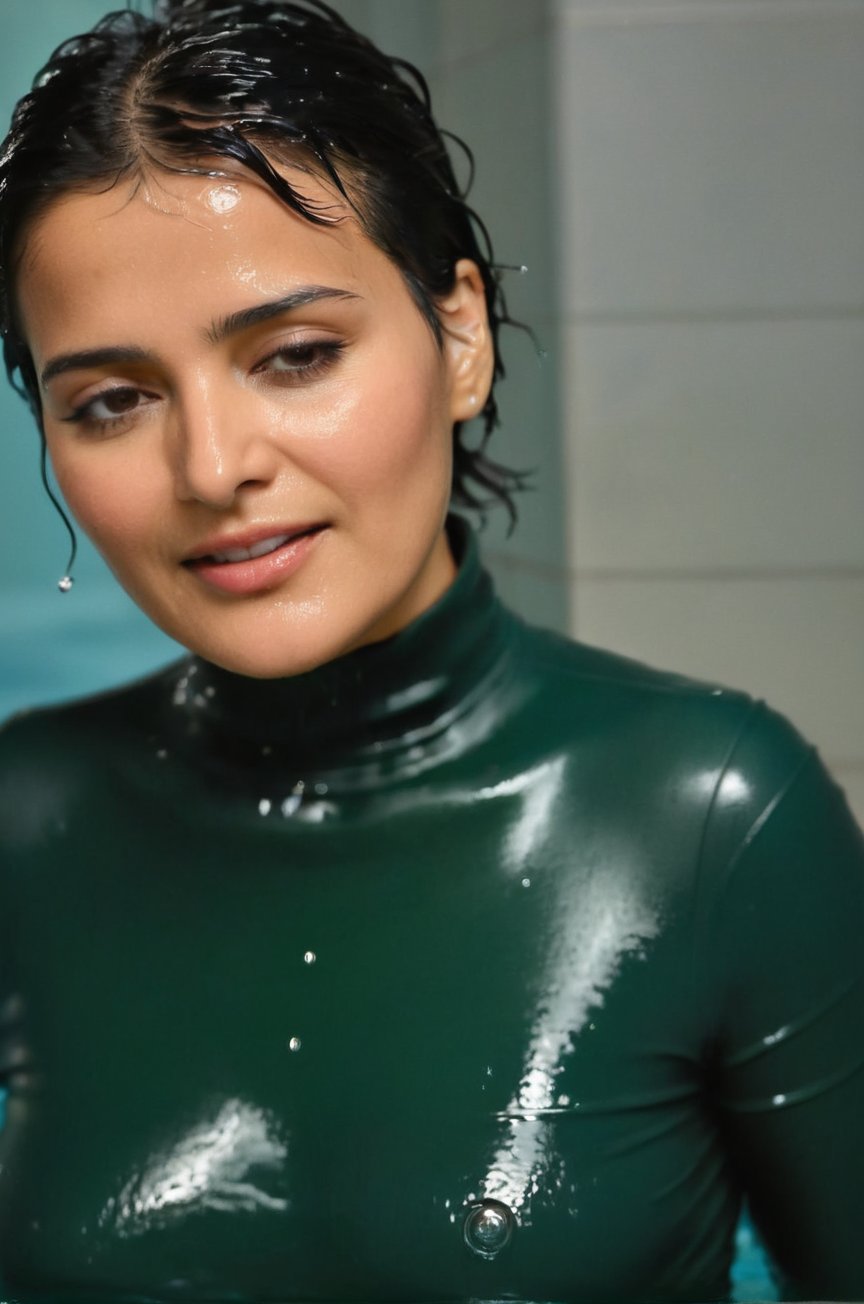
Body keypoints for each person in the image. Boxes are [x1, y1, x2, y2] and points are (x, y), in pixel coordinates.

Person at [0, 2, 862, 1301]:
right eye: (114, 400)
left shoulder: (712, 816)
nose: (214, 467)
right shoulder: (29, 817)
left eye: (295, 356)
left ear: (459, 337)